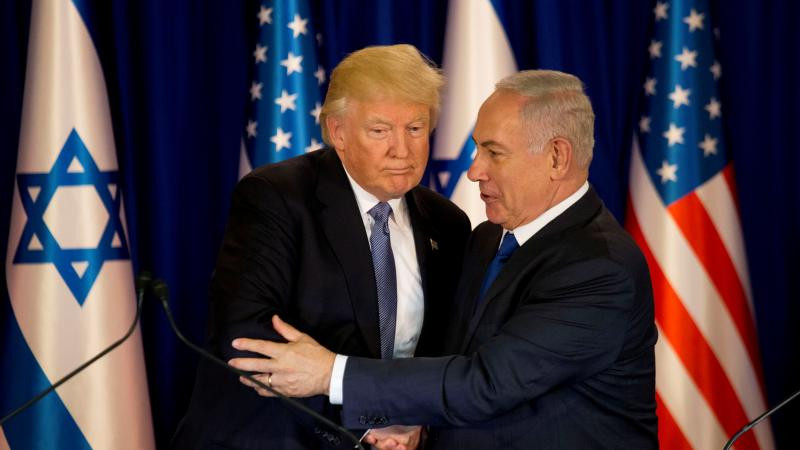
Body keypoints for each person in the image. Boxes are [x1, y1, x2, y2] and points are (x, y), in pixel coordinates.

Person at [229, 70, 659, 450]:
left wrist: (331, 374)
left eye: (494, 152)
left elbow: (485, 383)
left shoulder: (600, 269)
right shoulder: (487, 239)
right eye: (476, 149)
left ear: (556, 157)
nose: (474, 171)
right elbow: (449, 362)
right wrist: (410, 421)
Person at [171, 44, 470, 449]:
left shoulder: (448, 224)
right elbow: (247, 337)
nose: (402, 149)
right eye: (380, 130)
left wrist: (416, 419)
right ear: (338, 132)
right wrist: (369, 421)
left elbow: (445, 353)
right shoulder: (277, 197)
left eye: (415, 129)